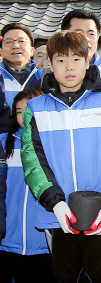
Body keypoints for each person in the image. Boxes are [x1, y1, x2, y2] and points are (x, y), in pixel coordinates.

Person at [20, 30, 101, 282]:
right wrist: (54, 202)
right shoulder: (36, 108)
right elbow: (32, 159)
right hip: (56, 214)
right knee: (65, 276)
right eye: (60, 60)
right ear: (49, 64)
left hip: (100, 213)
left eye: (76, 59)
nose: (69, 67)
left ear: (88, 62)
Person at [0, 88, 56, 283]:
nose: (24, 115)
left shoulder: (55, 143)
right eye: (19, 111)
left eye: (29, 108)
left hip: (42, 239)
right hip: (8, 237)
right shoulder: (4, 142)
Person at [61, 9, 101, 94]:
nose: (86, 39)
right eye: (78, 34)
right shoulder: (48, 74)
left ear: (97, 37)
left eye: (91, 34)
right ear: (63, 36)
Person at [0, 23, 42, 108]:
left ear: (32, 51)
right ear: (1, 52)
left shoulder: (43, 76)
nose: (15, 46)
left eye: (21, 41)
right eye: (8, 42)